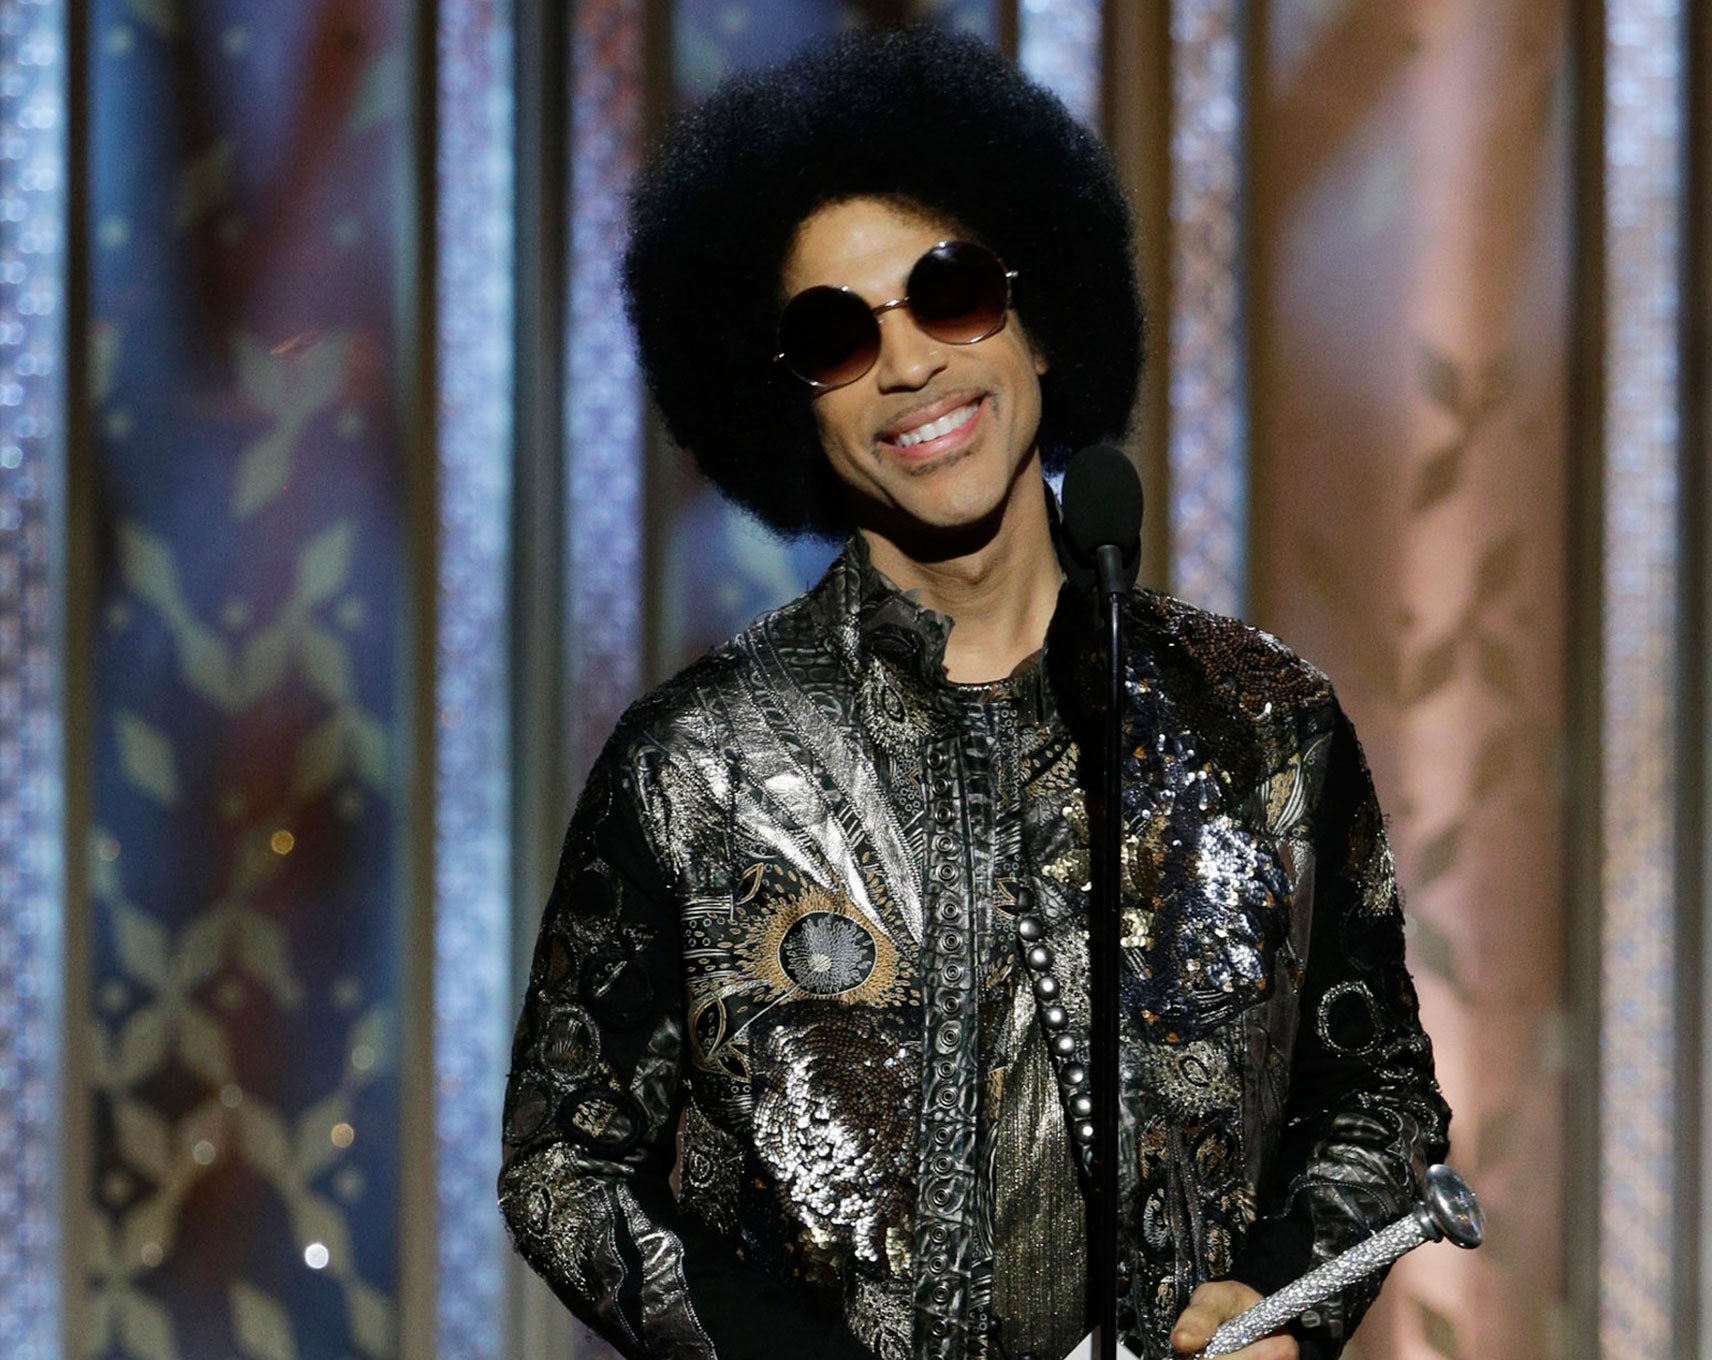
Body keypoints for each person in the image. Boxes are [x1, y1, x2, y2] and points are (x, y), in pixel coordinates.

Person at [498, 25, 1450, 1360]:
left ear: (1039, 320)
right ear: (793, 411)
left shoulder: (1261, 726)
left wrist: (1285, 1302)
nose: (908, 365)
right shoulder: (695, 766)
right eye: (835, 336)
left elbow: (1380, 1100)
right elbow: (565, 1164)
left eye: (948, 293)